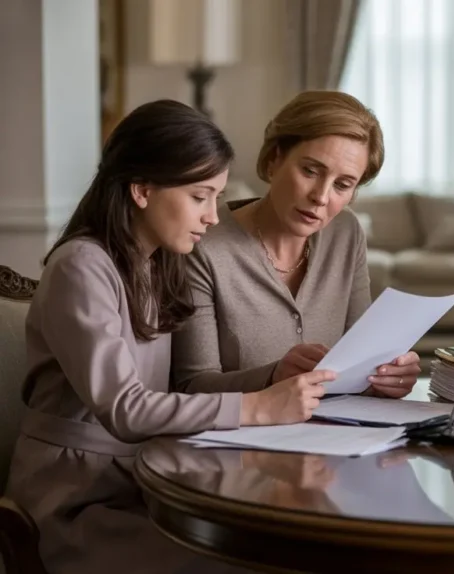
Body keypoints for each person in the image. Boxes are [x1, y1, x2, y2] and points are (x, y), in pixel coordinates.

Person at [5, 100, 327, 573]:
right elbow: (126, 408)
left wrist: (273, 376)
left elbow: (178, 391)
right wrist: (259, 407)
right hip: (76, 502)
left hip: (144, 483)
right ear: (142, 189)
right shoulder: (81, 266)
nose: (214, 217)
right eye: (201, 196)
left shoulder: (156, 264)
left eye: (217, 198)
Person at [171, 91, 420, 398]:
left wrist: (387, 377)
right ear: (274, 159)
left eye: (342, 185)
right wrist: (274, 376)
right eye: (311, 171)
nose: (321, 196)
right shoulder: (203, 242)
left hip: (339, 437)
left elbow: (360, 365)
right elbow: (190, 387)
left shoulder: (346, 232)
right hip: (239, 440)